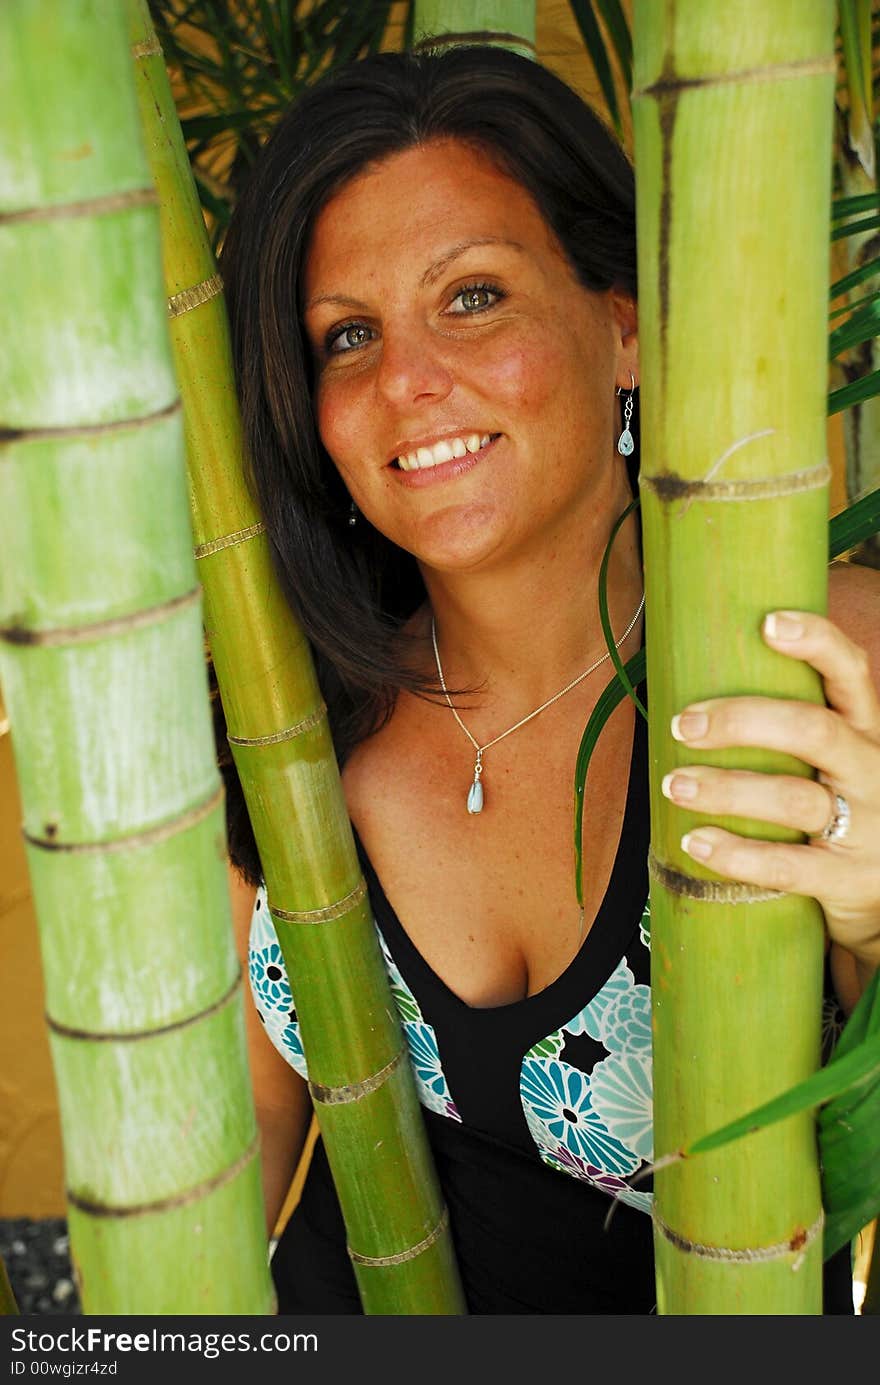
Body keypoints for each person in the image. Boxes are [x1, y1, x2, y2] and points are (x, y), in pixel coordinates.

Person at [213, 43, 880, 1314]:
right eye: (346, 335)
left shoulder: (821, 663)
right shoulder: (290, 704)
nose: (404, 383)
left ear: (621, 326)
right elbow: (244, 1110)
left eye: (471, 296)